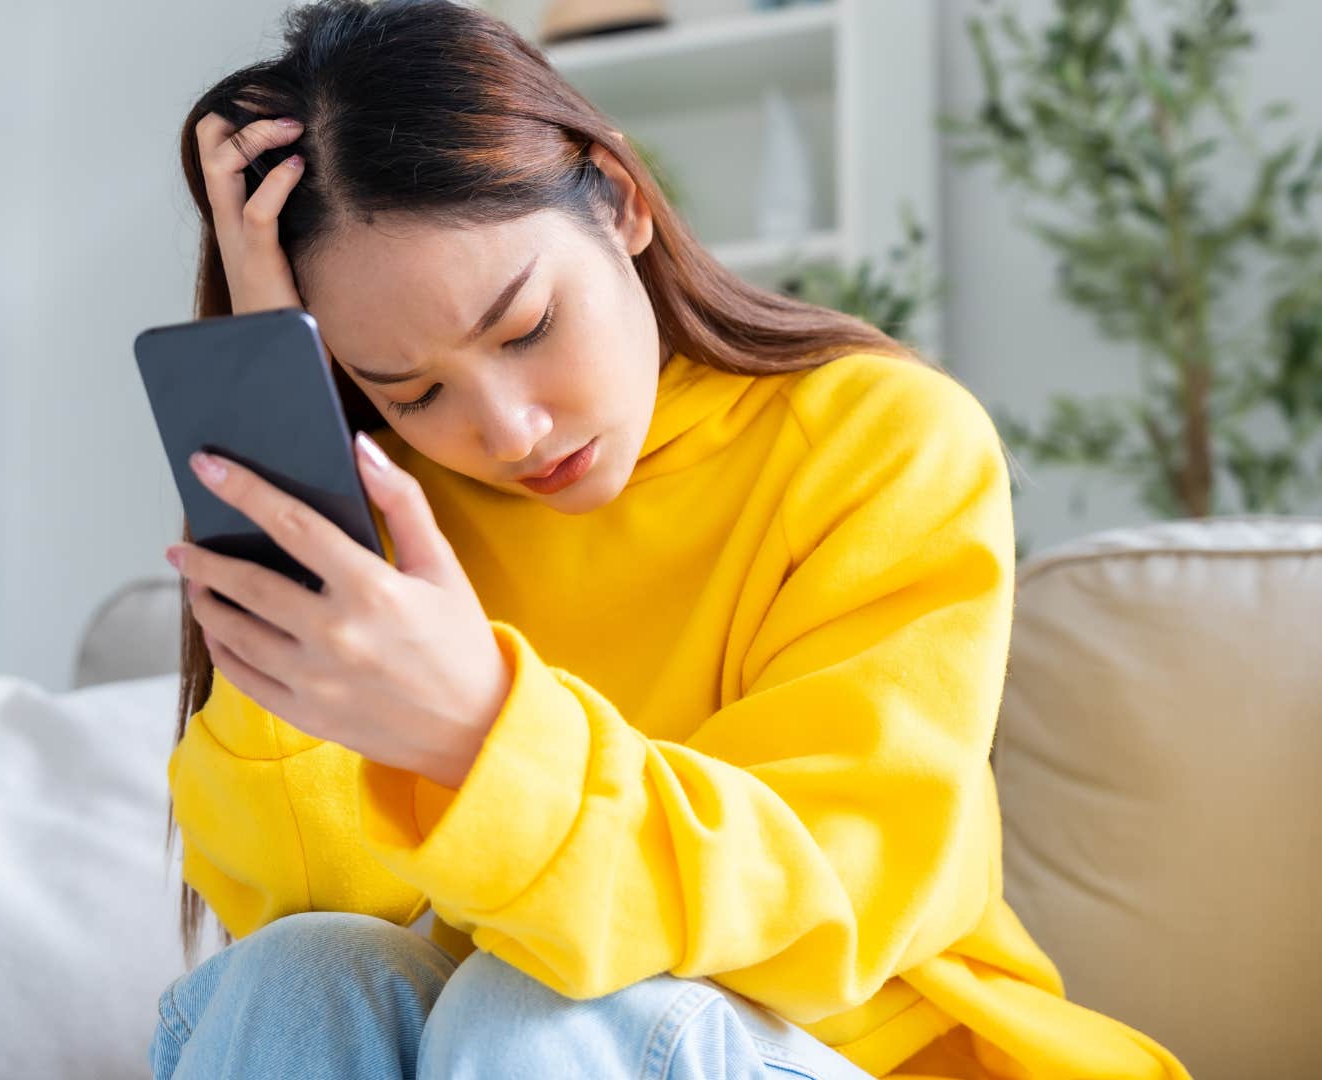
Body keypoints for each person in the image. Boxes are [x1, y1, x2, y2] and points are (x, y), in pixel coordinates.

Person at [151, 2, 1194, 1078]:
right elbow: (314, 901)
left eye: (526, 328)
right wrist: (280, 419)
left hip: (859, 1052)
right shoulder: (393, 517)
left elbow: (829, 916)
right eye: (411, 393)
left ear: (620, 199)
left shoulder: (877, 440)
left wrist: (480, 733)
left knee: (540, 1006)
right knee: (300, 974)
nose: (506, 431)